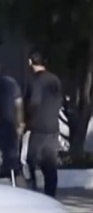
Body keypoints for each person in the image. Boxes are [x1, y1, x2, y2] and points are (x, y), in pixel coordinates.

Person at [22, 51, 63, 197]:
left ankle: (33, 193)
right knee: (50, 166)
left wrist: (26, 119)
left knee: (29, 161)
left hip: (37, 128)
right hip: (53, 128)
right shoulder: (55, 80)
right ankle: (50, 195)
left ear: (30, 62)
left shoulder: (35, 81)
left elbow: (33, 102)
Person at [0, 63, 20, 185]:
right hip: (9, 124)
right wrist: (20, 123)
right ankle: (14, 181)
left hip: (6, 125)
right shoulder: (12, 84)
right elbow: (18, 104)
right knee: (11, 158)